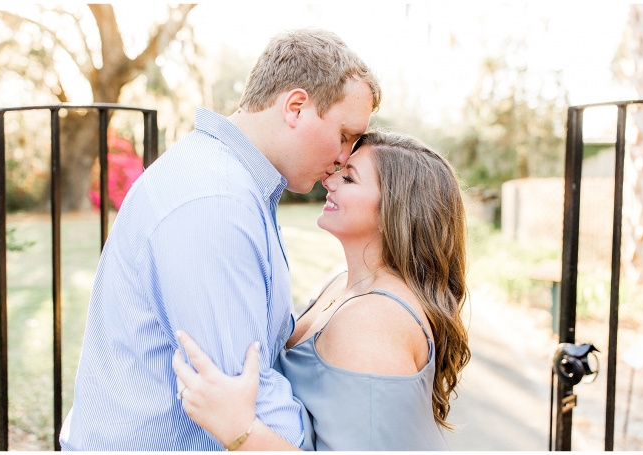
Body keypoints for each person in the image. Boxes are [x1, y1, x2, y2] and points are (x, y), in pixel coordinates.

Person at [59, 28, 381, 450]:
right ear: (296, 107)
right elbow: (246, 394)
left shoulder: (231, 183)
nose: (344, 157)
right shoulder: (215, 202)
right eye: (344, 135)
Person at [173, 131, 472, 451]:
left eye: (350, 178)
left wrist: (237, 428)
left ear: (394, 211)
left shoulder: (373, 320)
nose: (330, 180)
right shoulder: (345, 283)